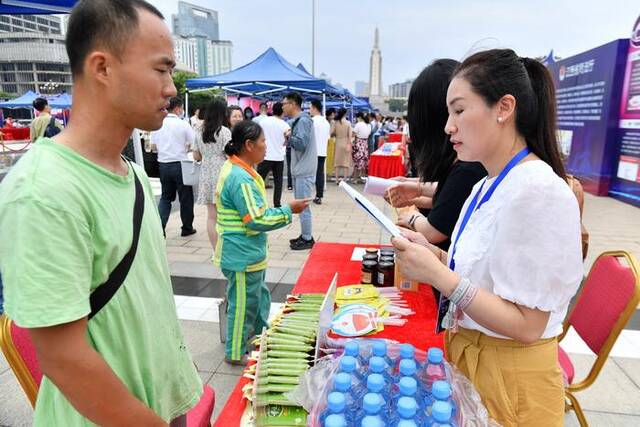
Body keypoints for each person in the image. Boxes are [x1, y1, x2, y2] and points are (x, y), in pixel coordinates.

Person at [0, 1, 202, 425]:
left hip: (160, 406)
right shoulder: (43, 191)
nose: (171, 87)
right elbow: (63, 359)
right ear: (103, 68)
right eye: (161, 69)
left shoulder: (128, 171)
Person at [392, 49, 583, 427]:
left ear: (504, 108)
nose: (449, 126)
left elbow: (527, 324)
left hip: (511, 383)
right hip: (476, 363)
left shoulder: (538, 190)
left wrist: (439, 275)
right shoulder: (486, 184)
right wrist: (433, 254)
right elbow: (482, 275)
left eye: (459, 110)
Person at [214, 120, 310, 363]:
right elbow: (255, 219)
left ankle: (258, 336)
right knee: (243, 305)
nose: (266, 146)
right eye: (263, 141)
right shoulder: (240, 178)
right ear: (248, 145)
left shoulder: (241, 170)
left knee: (257, 298)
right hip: (241, 254)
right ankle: (235, 352)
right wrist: (289, 210)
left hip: (247, 253)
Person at [387, 59, 486, 250]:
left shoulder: (469, 168)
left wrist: (411, 216)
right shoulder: (471, 166)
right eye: (450, 113)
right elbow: (450, 198)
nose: (450, 127)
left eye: (459, 111)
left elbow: (435, 230)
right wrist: (416, 190)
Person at [151, 96, 197, 237]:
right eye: (182, 108)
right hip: (181, 165)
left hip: (163, 165)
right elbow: (194, 144)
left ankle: (161, 228)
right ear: (177, 108)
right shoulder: (183, 124)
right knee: (185, 198)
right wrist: (185, 148)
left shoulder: (158, 124)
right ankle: (187, 228)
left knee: (165, 198)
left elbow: (153, 147)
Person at [192, 97, 231, 251]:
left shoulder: (199, 131)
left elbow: (196, 156)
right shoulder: (224, 131)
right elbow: (229, 154)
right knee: (225, 214)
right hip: (222, 172)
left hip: (206, 173)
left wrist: (207, 156)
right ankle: (226, 248)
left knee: (211, 216)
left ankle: (216, 250)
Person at [282, 92, 317, 250]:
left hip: (304, 169)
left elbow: (301, 144)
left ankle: (307, 238)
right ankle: (305, 235)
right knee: (302, 205)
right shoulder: (301, 120)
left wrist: (290, 136)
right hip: (302, 169)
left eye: (284, 104)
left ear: (293, 104)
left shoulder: (302, 121)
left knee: (303, 206)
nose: (282, 107)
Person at [257, 101, 290, 207]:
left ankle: (257, 201)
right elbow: (286, 141)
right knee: (278, 182)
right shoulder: (285, 125)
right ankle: (277, 204)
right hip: (278, 156)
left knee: (258, 181)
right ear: (283, 111)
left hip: (265, 155)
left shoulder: (264, 121)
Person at [310, 99, 330, 205]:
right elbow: (327, 138)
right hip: (322, 151)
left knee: (310, 174)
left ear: (314, 108)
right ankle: (319, 195)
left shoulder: (312, 121)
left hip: (312, 152)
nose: (309, 110)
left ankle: (308, 194)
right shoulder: (326, 122)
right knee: (320, 174)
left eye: (310, 108)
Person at [332, 108, 352, 183]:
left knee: (337, 162)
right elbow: (350, 135)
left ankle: (337, 180)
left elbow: (332, 133)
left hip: (338, 142)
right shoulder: (348, 123)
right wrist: (349, 144)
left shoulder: (335, 122)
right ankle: (345, 180)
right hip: (345, 142)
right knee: (345, 162)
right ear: (345, 114)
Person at [351, 112, 371, 182]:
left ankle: (355, 178)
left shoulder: (358, 124)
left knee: (357, 160)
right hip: (365, 143)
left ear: (359, 117)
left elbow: (353, 134)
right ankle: (363, 178)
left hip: (359, 143)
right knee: (364, 160)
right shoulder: (368, 125)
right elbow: (368, 134)